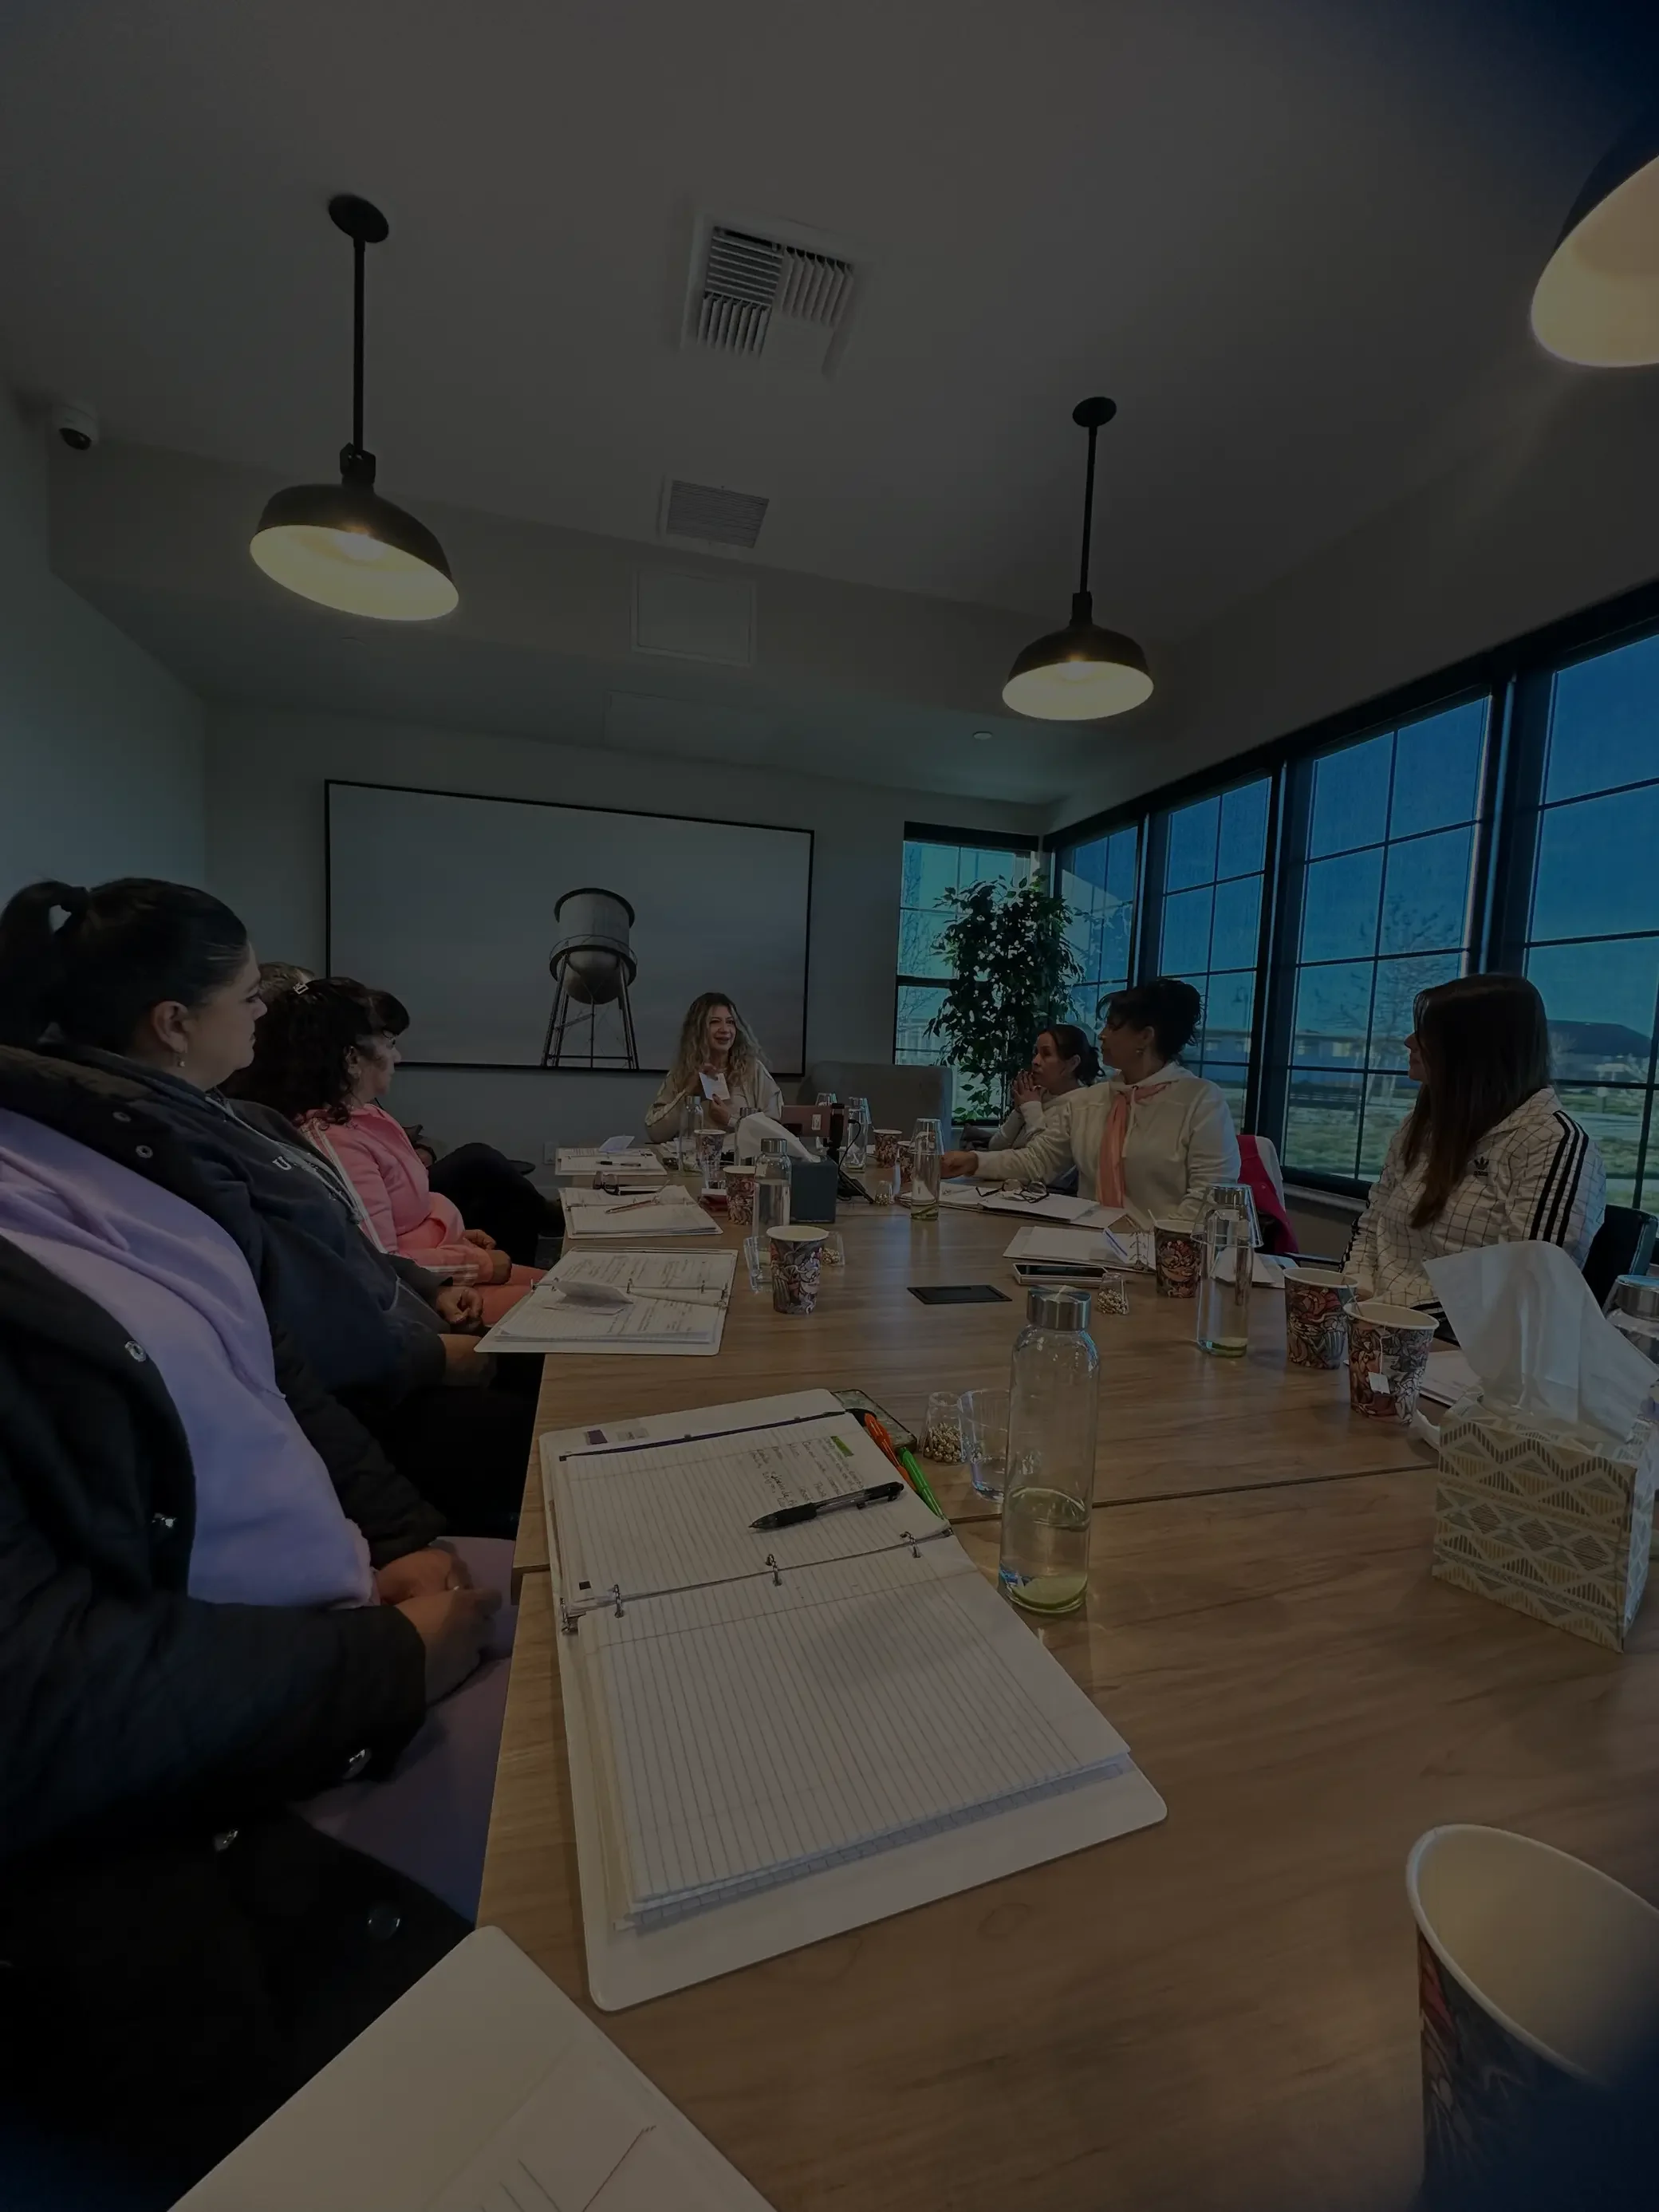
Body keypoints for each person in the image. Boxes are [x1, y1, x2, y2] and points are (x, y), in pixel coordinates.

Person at [0, 1119, 509, 2196]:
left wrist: (400, 1535)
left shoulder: (95, 1135)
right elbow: (39, 1699)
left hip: (328, 1651)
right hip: (204, 1791)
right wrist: (385, 1666)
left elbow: (276, 1372)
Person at [0, 879, 530, 1532]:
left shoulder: (234, 1116)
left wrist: (427, 1285)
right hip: (370, 1405)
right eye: (250, 996)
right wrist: (433, 1357)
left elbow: (347, 1244)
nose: (263, 1012)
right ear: (174, 1023)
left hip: (404, 1345)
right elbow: (292, 1325)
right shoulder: (161, 1150)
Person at [234, 978, 541, 1324]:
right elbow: (376, 1264)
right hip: (417, 1299)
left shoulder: (366, 1116)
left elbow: (396, 1221)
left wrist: (453, 1238)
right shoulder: (335, 1142)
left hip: (439, 1269)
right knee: (572, 1312)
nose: (397, 1056)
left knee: (562, 1288)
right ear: (352, 1058)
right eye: (389, 1043)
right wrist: (476, 1264)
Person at [1346, 972, 1605, 1308]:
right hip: (1376, 1318)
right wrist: (1353, 1296)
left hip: (1452, 1335)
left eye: (1429, 1033)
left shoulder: (1553, 1144)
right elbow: (1371, 1226)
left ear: (1474, 1048)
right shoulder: (1421, 1124)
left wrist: (1394, 1321)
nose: (1410, 1041)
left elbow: (1523, 1287)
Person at [941, 978, 1240, 1224]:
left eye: (1112, 1026)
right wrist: (974, 1161)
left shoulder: (1201, 1101)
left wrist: (1161, 1251)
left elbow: (1209, 1197)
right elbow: (1039, 1160)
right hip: (1090, 1248)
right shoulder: (1087, 1102)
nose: (1102, 1035)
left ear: (1145, 1037)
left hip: (1166, 1257)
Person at [644, 992, 785, 1145]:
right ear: (698, 1029)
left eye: (730, 1022)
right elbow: (655, 1133)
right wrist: (690, 1092)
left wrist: (730, 1120)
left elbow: (777, 1131)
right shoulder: (682, 1072)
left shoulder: (753, 1070)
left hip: (740, 1160)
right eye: (715, 1022)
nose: (725, 1029)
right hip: (693, 1159)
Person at [983, 1022, 1100, 1152]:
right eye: (1036, 1053)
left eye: (1046, 1054)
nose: (1035, 1061)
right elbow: (994, 1147)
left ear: (1072, 1063)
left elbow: (1043, 1157)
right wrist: (1019, 1111)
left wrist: (1030, 1107)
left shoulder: (1080, 1108)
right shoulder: (1038, 1094)